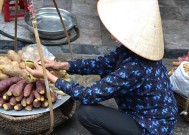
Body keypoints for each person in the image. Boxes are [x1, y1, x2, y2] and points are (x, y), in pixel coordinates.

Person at [26, 0, 178, 134]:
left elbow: (88, 95)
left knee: (86, 113)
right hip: (146, 113)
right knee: (104, 71)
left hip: (151, 127)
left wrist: (50, 77)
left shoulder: (135, 68)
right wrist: (60, 65)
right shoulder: (130, 50)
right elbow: (101, 64)